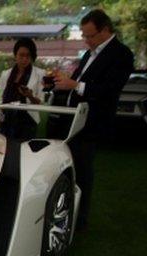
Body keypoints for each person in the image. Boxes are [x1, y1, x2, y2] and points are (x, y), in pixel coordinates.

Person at [50, 9, 133, 230]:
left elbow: (109, 90)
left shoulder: (121, 54)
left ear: (105, 30)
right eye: (84, 36)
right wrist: (63, 84)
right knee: (69, 168)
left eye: (90, 35)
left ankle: (79, 220)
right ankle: (66, 210)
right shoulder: (89, 54)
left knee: (83, 172)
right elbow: (77, 83)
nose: (87, 40)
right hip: (72, 121)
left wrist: (76, 85)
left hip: (92, 124)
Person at [0, 38, 44, 140]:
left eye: (28, 55)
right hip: (7, 121)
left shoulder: (39, 74)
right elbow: (1, 100)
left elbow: (41, 102)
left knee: (24, 152)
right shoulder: (6, 74)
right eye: (21, 55)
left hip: (28, 122)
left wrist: (30, 96)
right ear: (15, 55)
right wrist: (0, 119)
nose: (24, 59)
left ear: (32, 56)